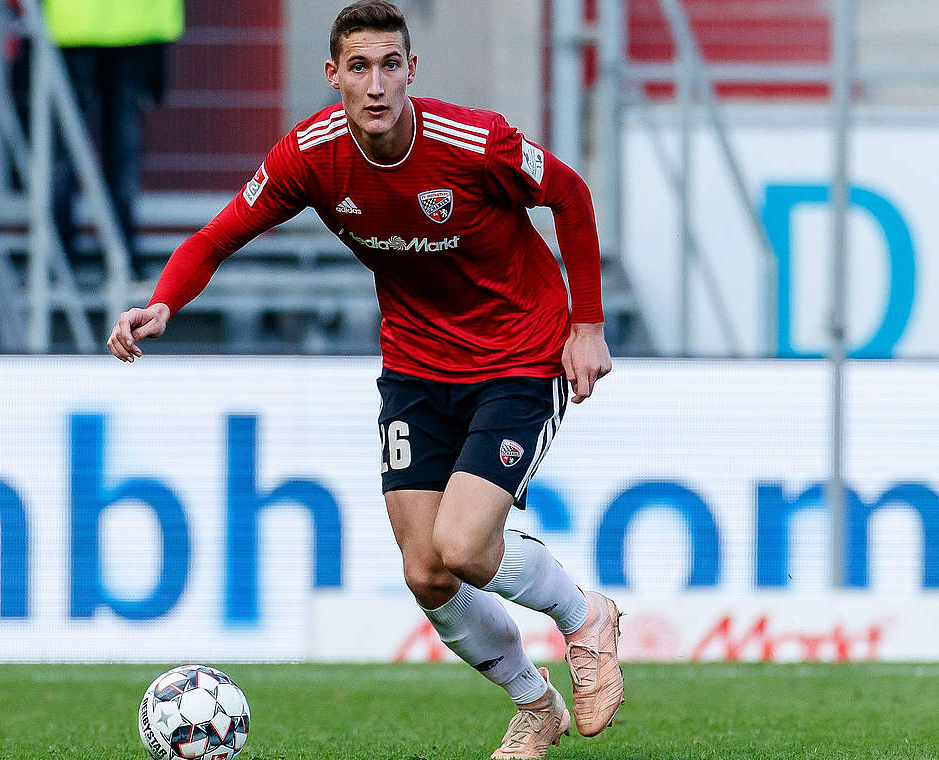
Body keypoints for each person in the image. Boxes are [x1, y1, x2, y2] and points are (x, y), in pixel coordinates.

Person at [107, 3, 622, 757]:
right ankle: (534, 705)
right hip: (415, 365)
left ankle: (585, 617)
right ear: (333, 76)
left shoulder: (477, 142)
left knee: (466, 546)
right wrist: (162, 301)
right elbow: (219, 234)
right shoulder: (310, 157)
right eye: (359, 67)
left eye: (390, 66)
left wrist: (587, 326)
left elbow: (569, 195)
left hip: (516, 353)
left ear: (412, 70)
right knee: (427, 574)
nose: (375, 84)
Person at [42, 0, 184, 269]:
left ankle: (58, 256)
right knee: (122, 143)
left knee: (67, 143)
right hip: (136, 21)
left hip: (73, 20)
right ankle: (120, 253)